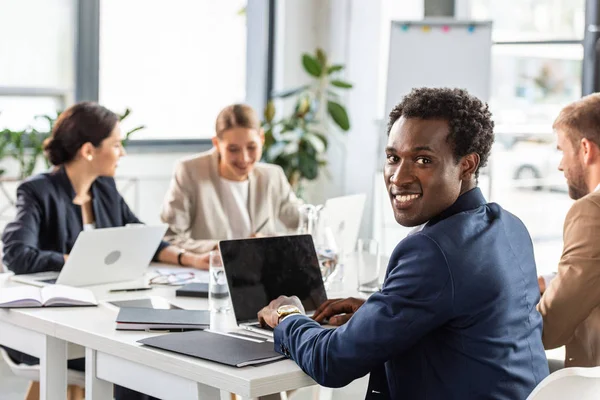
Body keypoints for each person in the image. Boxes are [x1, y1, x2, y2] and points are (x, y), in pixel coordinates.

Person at [258, 88, 548, 399]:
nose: (398, 176)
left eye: (423, 160)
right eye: (393, 158)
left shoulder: (433, 251)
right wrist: (379, 310)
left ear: (466, 165)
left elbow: (332, 361)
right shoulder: (509, 227)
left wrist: (288, 316)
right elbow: (466, 322)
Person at [1, 101, 205, 399]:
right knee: (135, 363)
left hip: (104, 315)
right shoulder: (37, 191)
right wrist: (74, 260)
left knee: (162, 353)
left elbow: (141, 237)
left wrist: (190, 259)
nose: (122, 153)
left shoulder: (105, 188)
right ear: (88, 150)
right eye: (116, 144)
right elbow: (17, 255)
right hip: (54, 328)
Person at [161, 104, 301, 254]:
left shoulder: (272, 176)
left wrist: (270, 242)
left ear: (261, 138)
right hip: (211, 271)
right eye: (233, 149)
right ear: (217, 144)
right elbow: (170, 238)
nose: (244, 158)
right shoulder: (190, 171)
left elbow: (305, 222)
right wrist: (222, 248)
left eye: (251, 147)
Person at [537, 93, 600, 369]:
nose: (561, 164)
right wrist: (552, 280)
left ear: (586, 149)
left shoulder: (591, 212)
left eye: (562, 150)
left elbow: (551, 327)